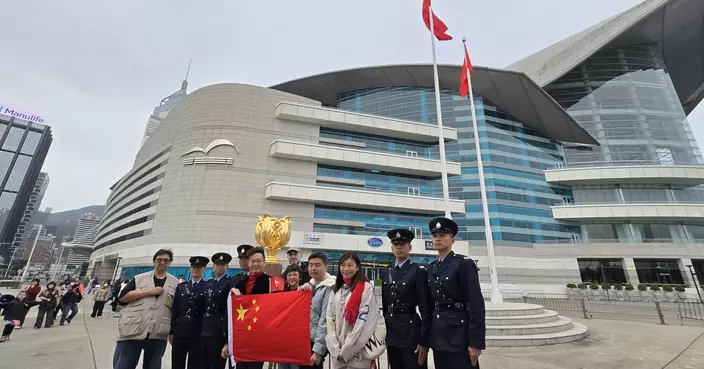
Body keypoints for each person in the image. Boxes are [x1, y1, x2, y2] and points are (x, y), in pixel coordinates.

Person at [426, 217, 485, 369]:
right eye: (435, 236)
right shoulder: (431, 268)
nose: (438, 239)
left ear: (453, 239)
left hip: (459, 335)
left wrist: (476, 343)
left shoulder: (463, 263)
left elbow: (476, 304)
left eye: (443, 235)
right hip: (438, 335)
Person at [113, 249, 179, 369]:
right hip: (134, 330)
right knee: (124, 365)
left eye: (166, 260)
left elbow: (176, 309)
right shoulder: (139, 279)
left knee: (153, 366)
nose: (162, 262)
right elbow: (122, 297)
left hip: (158, 332)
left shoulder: (175, 283)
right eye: (159, 259)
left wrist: (172, 332)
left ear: (170, 263)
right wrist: (149, 292)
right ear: (154, 261)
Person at [381, 229, 432, 369]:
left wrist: (424, 341)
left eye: (402, 244)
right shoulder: (386, 272)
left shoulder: (418, 271)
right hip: (391, 331)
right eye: (396, 244)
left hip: (411, 332)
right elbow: (384, 304)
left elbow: (425, 308)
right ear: (391, 248)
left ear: (410, 247)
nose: (399, 247)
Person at [325, 252, 380, 369]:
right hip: (338, 354)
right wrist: (334, 347)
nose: (346, 269)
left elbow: (364, 322)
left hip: (358, 354)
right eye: (343, 265)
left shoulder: (366, 288)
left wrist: (347, 349)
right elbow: (330, 318)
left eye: (350, 265)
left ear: (358, 267)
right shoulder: (336, 289)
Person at [229, 246, 274, 369]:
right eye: (253, 261)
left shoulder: (271, 282)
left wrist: (302, 289)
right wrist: (232, 296)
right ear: (248, 263)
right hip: (242, 336)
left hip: (259, 335)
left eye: (259, 261)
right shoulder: (240, 283)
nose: (255, 264)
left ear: (264, 263)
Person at [297, 252, 337, 369]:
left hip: (315, 343)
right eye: (310, 265)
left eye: (317, 265)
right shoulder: (310, 285)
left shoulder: (330, 288)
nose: (313, 268)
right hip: (304, 339)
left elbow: (325, 320)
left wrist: (318, 350)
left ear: (326, 266)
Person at [170, 256, 209, 369]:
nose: (196, 270)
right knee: (177, 363)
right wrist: (172, 331)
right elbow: (175, 310)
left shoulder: (208, 287)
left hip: (197, 332)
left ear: (204, 269)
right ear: (190, 269)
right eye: (194, 267)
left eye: (199, 267)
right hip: (180, 331)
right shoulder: (181, 287)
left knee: (195, 364)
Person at [201, 252, 236, 369]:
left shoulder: (231, 283)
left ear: (227, 267)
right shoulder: (208, 283)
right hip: (205, 329)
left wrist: (227, 339)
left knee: (216, 364)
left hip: (219, 331)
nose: (219, 266)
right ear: (213, 266)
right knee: (203, 364)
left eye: (223, 264)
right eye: (217, 264)